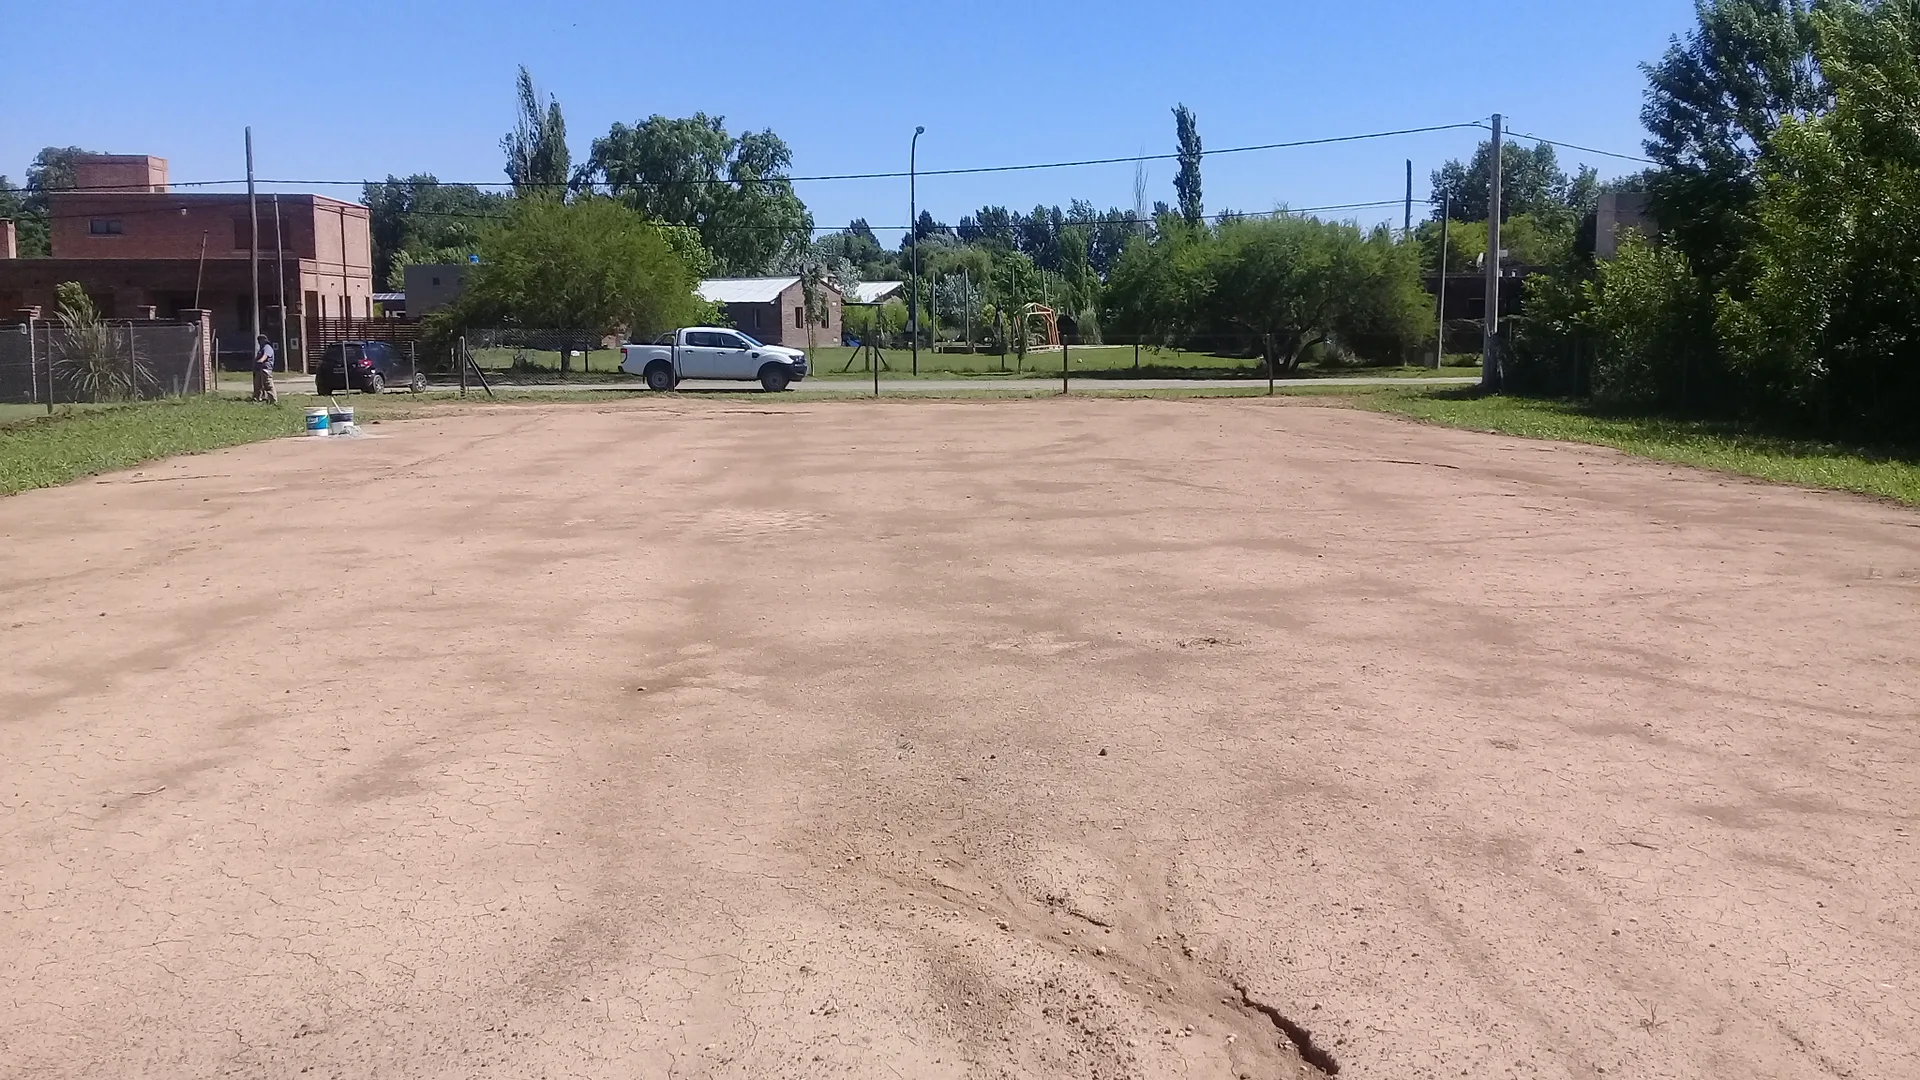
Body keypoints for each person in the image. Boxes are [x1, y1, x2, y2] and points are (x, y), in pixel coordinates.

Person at [251, 334, 277, 404]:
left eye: (260, 340)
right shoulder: (262, 348)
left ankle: (273, 401)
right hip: (259, 369)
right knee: (258, 385)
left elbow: (266, 355)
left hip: (265, 369)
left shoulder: (267, 347)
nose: (259, 342)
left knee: (268, 385)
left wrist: (261, 360)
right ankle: (257, 399)